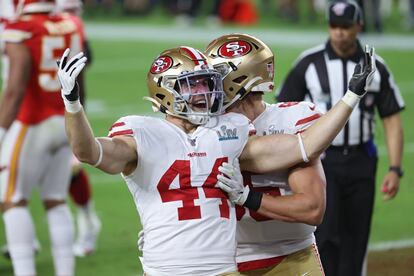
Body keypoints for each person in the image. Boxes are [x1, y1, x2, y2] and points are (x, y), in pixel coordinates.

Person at [58, 40, 373, 274]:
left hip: (262, 259)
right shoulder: (143, 132)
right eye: (192, 85)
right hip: (203, 261)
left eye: (207, 82)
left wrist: (350, 97)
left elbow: (303, 147)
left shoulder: (229, 130)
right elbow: (90, 152)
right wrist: (73, 105)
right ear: (166, 91)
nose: (205, 92)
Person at [277, 1, 404, 275]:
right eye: (335, 26)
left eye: (345, 27)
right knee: (324, 236)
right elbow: (281, 112)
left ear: (358, 26)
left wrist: (395, 167)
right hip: (322, 162)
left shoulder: (376, 66)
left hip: (362, 161)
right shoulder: (308, 63)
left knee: (355, 238)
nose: (340, 33)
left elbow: (391, 117)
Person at [205, 33, 326, 275]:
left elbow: (312, 209)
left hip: (291, 254)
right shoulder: (203, 126)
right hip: (222, 261)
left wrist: (248, 198)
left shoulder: (290, 121)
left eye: (216, 75)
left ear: (240, 79)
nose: (205, 85)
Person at [0, 0, 85, 274]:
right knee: (56, 200)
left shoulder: (21, 28)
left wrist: (1, 132)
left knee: (13, 200)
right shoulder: (71, 23)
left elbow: (15, 89)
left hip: (32, 122)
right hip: (64, 120)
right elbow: (78, 79)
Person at [55, 0, 102, 257]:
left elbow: (86, 60)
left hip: (57, 109)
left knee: (70, 168)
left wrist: (75, 110)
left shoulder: (68, 28)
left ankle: (86, 221)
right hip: (31, 111)